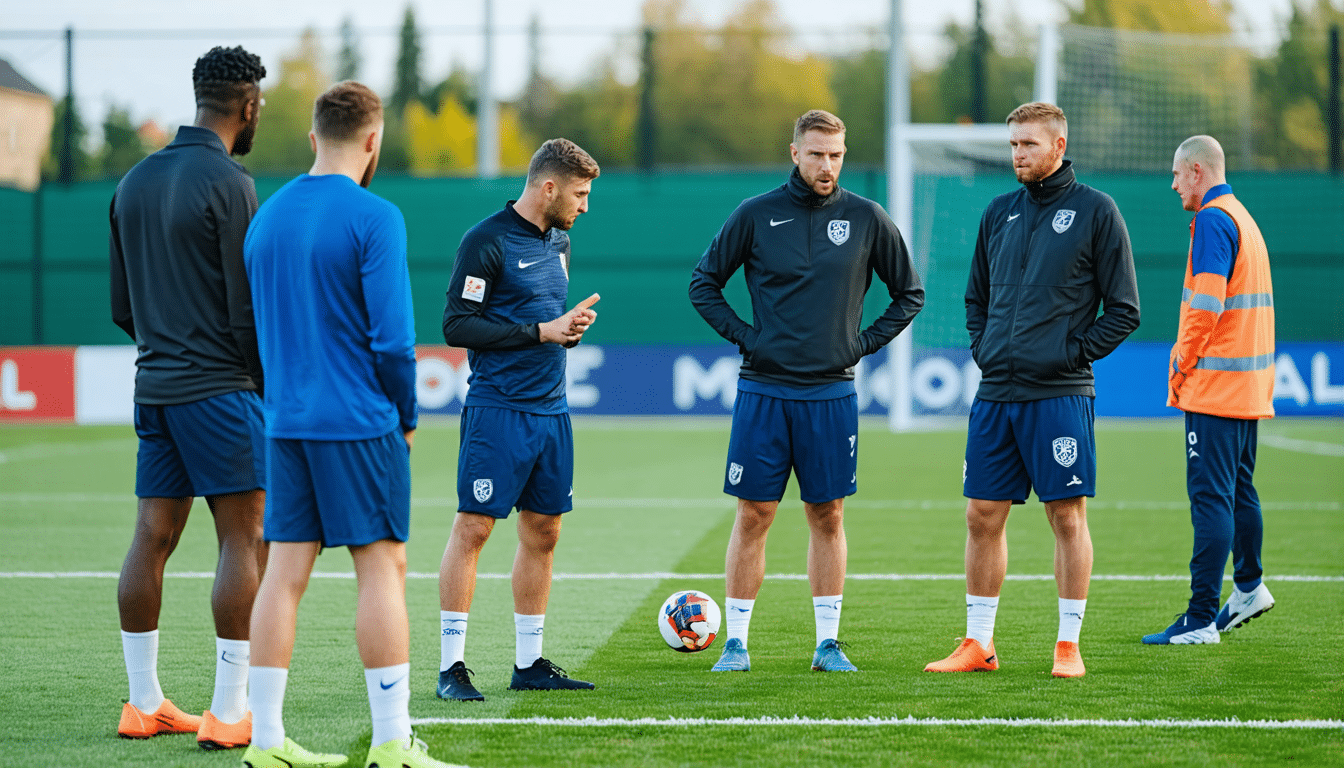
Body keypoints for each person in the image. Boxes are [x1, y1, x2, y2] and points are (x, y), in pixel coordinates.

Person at [241, 81, 460, 768]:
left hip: (286, 424)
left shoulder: (266, 218)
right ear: (374, 140)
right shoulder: (376, 216)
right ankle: (393, 742)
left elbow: (254, 334)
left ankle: (266, 743)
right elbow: (394, 343)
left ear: (313, 138)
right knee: (382, 570)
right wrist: (407, 415)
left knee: (282, 574)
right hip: (359, 421)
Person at [689, 109, 925, 674]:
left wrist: (862, 344)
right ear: (794, 153)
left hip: (831, 394)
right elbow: (703, 284)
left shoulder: (867, 218)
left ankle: (827, 644)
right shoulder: (755, 214)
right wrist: (748, 339)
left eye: (836, 155)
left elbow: (909, 293)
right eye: (816, 153)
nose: (827, 165)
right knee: (754, 514)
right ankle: (737, 643)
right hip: (764, 391)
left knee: (828, 515)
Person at [925, 102, 1140, 679]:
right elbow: (976, 298)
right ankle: (978, 643)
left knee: (1067, 517)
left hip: (1060, 393)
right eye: (1013, 144)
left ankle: (1068, 645)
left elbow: (1124, 311)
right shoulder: (999, 213)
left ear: (1059, 146)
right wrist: (985, 347)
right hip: (996, 392)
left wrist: (1068, 354)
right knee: (981, 514)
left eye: (1028, 145)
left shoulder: (1097, 211)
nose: (1017, 154)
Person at [109, 45, 267, 749]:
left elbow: (122, 308)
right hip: (221, 390)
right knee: (244, 538)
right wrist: (267, 387)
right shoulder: (232, 183)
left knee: (153, 535)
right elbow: (245, 310)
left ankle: (144, 703)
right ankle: (230, 710)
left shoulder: (133, 181)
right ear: (249, 105)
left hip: (155, 386)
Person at [436, 138, 602, 702]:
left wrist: (566, 329)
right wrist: (539, 332)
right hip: (497, 409)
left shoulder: (560, 240)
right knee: (475, 528)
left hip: (551, 411)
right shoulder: (485, 241)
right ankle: (450, 667)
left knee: (545, 532)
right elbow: (458, 325)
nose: (585, 206)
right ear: (547, 188)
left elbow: (546, 319)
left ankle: (529, 663)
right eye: (579, 195)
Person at [1142, 135, 1276, 645]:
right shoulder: (1242, 215)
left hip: (1216, 387)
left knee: (1211, 498)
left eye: (1177, 175)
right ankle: (1248, 588)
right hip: (1245, 386)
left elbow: (1207, 305)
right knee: (1240, 489)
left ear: (1197, 170)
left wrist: (1182, 361)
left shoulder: (1214, 221)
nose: (1174, 184)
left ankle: (1200, 619)